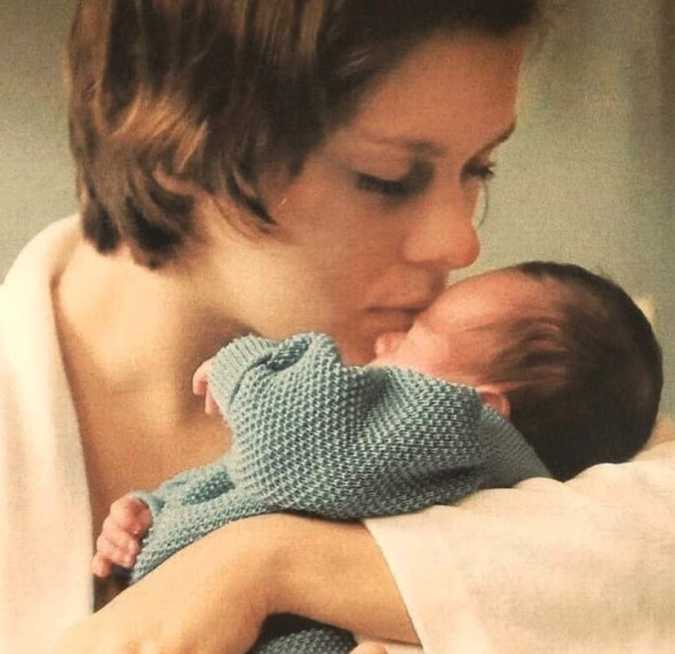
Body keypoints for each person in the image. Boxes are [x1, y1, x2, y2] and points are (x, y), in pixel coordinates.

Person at [2, 1, 674, 653]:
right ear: (175, 141)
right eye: (387, 178)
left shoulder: (514, 383)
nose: (460, 242)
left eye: (479, 167)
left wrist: (265, 564)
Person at [90, 260, 662, 652]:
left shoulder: (457, 434)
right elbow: (243, 486)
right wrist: (152, 509)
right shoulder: (410, 465)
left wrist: (246, 366)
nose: (385, 341)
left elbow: (289, 449)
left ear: (481, 403)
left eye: (416, 333)